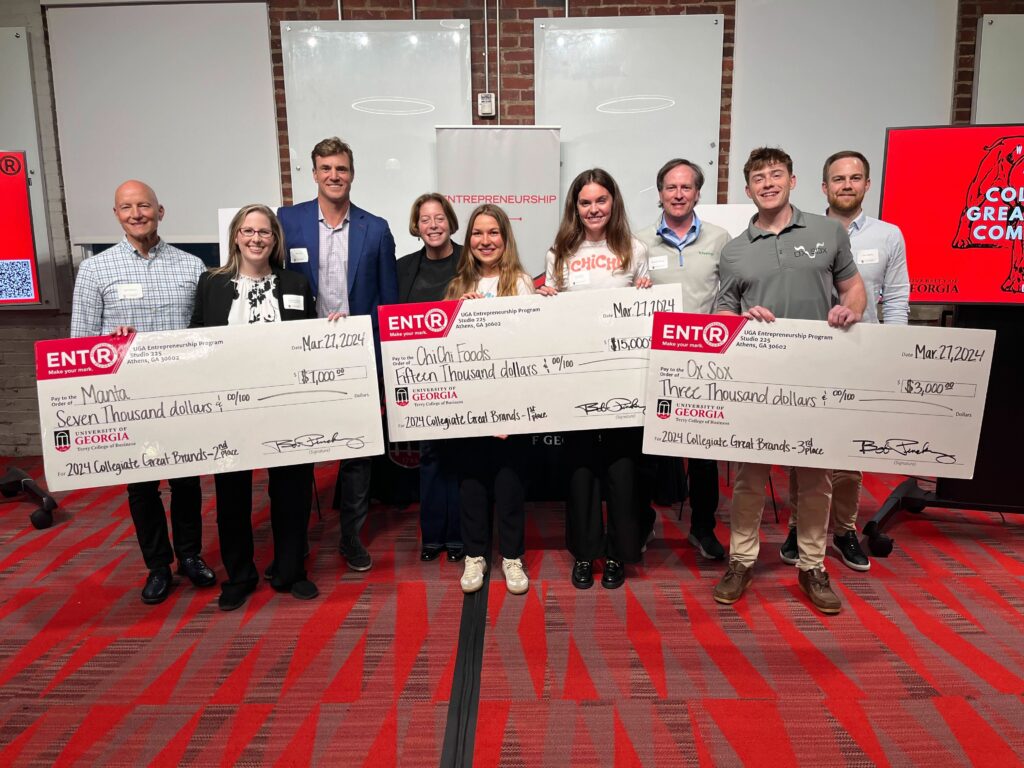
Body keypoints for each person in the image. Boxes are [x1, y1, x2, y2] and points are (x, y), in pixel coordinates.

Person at [713, 147, 867, 615]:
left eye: (775, 174)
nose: (767, 183)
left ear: (792, 180)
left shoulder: (827, 232)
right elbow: (722, 310)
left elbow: (853, 287)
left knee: (815, 478)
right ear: (748, 189)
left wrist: (851, 310)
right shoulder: (735, 250)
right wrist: (741, 318)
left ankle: (812, 566)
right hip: (759, 379)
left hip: (818, 376)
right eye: (758, 177)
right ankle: (741, 560)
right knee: (749, 478)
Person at [70, 180, 215, 605]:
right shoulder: (95, 270)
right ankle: (157, 566)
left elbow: (205, 332)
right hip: (128, 398)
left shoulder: (191, 266)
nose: (137, 214)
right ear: (116, 214)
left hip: (182, 392)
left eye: (144, 206)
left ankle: (190, 556)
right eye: (127, 207)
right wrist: (107, 339)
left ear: (160, 211)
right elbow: (80, 340)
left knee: (187, 479)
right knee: (142, 487)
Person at [781, 151, 910, 572]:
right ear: (824, 187)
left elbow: (897, 300)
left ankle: (844, 528)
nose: (847, 185)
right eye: (838, 179)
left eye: (856, 178)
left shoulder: (888, 236)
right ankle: (800, 526)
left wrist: (894, 357)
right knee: (805, 447)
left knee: (851, 452)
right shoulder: (803, 232)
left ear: (867, 185)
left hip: (862, 356)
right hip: (810, 357)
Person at [189, 205, 319, 610]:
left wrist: (332, 329)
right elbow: (195, 336)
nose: (256, 238)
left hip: (287, 404)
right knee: (232, 495)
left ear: (275, 239)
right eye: (248, 231)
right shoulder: (211, 284)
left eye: (264, 232)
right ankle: (240, 575)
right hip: (230, 408)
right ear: (236, 237)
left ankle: (290, 569)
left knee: (292, 489)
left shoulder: (297, 283)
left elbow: (309, 339)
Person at [278, 137, 398, 572]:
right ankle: (294, 544)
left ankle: (351, 537)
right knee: (295, 449)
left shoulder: (376, 228)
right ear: (313, 174)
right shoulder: (286, 221)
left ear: (352, 174)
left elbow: (387, 301)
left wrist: (383, 367)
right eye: (325, 168)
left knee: (357, 452)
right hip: (302, 355)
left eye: (341, 169)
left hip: (358, 355)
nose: (334, 175)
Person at [540, 168, 651, 590]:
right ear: (575, 207)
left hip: (623, 379)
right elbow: (550, 316)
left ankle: (620, 553)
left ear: (613, 202)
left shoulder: (634, 249)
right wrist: (546, 299)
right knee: (582, 471)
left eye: (600, 200)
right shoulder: (559, 253)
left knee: (622, 471)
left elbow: (646, 310)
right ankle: (585, 554)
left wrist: (646, 292)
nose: (593, 209)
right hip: (576, 379)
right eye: (585, 202)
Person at [637, 158, 730, 561]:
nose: (678, 195)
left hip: (704, 361)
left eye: (686, 188)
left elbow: (729, 295)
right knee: (649, 452)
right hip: (652, 360)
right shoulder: (638, 241)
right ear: (660, 193)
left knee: (704, 453)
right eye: (671, 188)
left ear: (697, 193)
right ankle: (641, 524)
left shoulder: (721, 239)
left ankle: (703, 528)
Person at [447, 204, 534, 595]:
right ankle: (475, 554)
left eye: (493, 233)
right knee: (471, 482)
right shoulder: (455, 285)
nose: (485, 241)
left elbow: (530, 345)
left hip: (511, 405)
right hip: (469, 406)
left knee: (509, 483)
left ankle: (512, 556)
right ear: (469, 241)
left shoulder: (521, 282)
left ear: (505, 238)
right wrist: (459, 313)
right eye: (478, 234)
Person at [397, 193, 463, 563]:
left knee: (460, 457)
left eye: (439, 218)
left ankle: (457, 537)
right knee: (430, 456)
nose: (433, 225)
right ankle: (432, 536)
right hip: (422, 378)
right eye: (425, 219)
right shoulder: (403, 268)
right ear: (416, 226)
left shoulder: (470, 260)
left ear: (450, 222)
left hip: (466, 371)